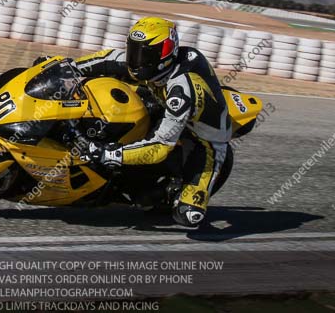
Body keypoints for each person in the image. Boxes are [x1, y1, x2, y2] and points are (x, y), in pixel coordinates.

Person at [73, 17, 231, 227]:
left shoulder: (181, 91)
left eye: (143, 55)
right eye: (134, 51)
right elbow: (108, 58)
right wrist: (69, 66)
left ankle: (171, 189)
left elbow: (160, 147)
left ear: (164, 54)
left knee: (188, 216)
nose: (135, 60)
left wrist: (110, 154)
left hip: (204, 140)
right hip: (159, 98)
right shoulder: (154, 66)